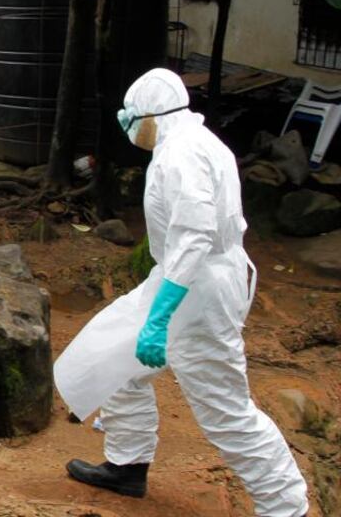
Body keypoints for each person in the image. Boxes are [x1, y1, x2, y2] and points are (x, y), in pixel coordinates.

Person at [62, 69, 309, 517]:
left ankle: (285, 506)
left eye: (132, 119)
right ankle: (127, 463)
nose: (129, 127)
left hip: (201, 287)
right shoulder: (192, 141)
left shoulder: (181, 155)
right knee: (115, 357)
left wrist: (160, 317)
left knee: (226, 411)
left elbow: (195, 236)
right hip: (182, 275)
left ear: (154, 116)